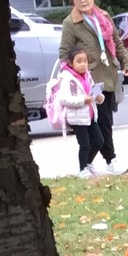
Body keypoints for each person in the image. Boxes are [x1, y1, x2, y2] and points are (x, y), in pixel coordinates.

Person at [59, 0, 128, 175]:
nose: (83, 0)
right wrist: (77, 74)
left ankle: (90, 163)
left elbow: (116, 43)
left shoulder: (104, 16)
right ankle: (109, 161)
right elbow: (64, 55)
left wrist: (126, 61)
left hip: (108, 78)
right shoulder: (70, 23)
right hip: (88, 83)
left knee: (106, 123)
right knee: (100, 125)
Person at [52, 46, 104, 178]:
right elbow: (64, 99)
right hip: (77, 118)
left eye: (85, 61)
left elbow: (93, 93)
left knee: (99, 141)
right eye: (79, 61)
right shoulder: (67, 78)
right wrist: (82, 100)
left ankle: (88, 163)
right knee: (85, 144)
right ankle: (82, 169)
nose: (83, 64)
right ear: (71, 63)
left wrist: (99, 97)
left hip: (90, 115)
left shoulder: (87, 75)